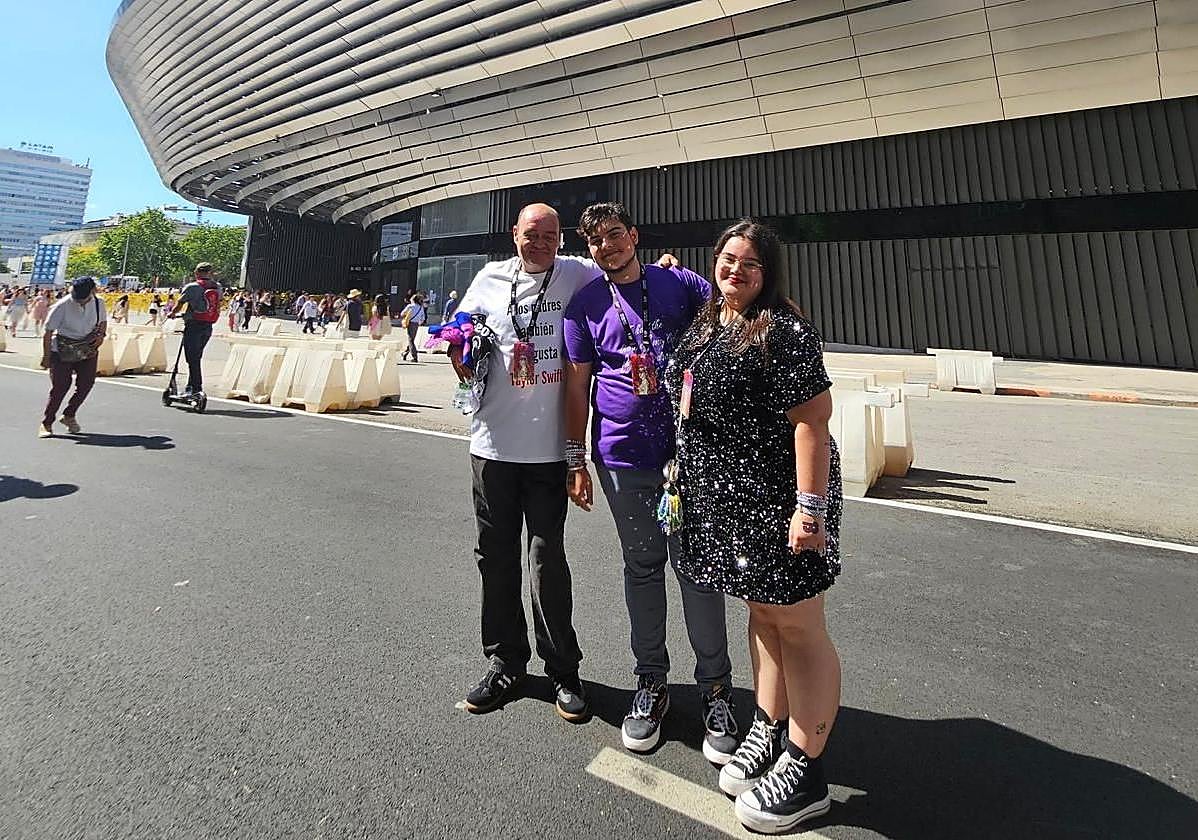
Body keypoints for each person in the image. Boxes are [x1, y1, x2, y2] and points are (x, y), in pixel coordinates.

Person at [664, 220, 843, 834]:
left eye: (750, 264)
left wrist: (810, 508)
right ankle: (769, 728)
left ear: (768, 275)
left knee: (798, 625)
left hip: (780, 501)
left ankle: (807, 765)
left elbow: (812, 423)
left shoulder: (785, 330)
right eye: (727, 259)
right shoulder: (708, 323)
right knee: (763, 617)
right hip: (730, 507)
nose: (735, 270)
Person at [562, 202, 737, 760]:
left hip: (688, 453)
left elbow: (729, 309)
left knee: (696, 568)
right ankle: (652, 682)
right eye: (595, 241)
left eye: (615, 234)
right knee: (642, 566)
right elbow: (576, 386)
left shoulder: (676, 282)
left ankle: (715, 688)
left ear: (633, 236)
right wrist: (574, 458)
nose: (606, 246)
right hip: (622, 458)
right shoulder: (584, 303)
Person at [450, 202, 604, 721]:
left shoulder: (579, 273)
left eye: (551, 235)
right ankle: (506, 662)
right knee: (494, 558)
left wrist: (669, 269)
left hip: (547, 451)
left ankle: (564, 668)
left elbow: (624, 269)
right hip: (492, 445)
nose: (540, 243)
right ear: (514, 234)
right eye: (531, 234)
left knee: (546, 559)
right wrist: (460, 354)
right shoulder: (490, 277)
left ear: (562, 239)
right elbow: (459, 334)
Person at [39, 277, 107, 438]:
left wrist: (101, 335)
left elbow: (103, 321)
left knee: (86, 384)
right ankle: (46, 423)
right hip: (62, 349)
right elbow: (48, 333)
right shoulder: (61, 306)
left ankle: (69, 415)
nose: (80, 302)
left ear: (93, 291)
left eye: (84, 299)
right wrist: (46, 357)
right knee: (60, 387)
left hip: (87, 349)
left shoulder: (99, 303)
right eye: (78, 299)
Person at [171, 263, 222, 395]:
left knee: (192, 358)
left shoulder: (192, 287)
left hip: (193, 325)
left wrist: (171, 314)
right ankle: (190, 386)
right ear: (210, 273)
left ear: (196, 272)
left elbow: (179, 304)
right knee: (197, 356)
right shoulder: (217, 287)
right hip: (208, 326)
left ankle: (197, 388)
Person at [399, 293, 426, 361]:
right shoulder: (420, 307)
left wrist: (407, 315)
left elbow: (402, 313)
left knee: (410, 340)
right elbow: (423, 318)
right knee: (412, 339)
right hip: (416, 324)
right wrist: (419, 322)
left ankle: (415, 356)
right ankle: (405, 353)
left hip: (410, 323)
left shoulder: (410, 306)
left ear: (413, 299)